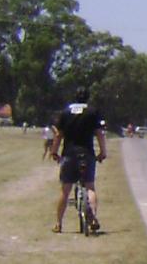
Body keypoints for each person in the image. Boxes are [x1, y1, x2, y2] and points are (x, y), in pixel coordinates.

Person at [50, 86, 107, 233]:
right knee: (90, 187)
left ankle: (58, 224)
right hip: (87, 153)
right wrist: (102, 152)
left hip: (69, 154)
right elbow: (100, 134)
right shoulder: (93, 112)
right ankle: (93, 217)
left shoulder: (66, 112)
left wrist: (54, 152)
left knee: (65, 190)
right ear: (88, 97)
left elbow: (58, 135)